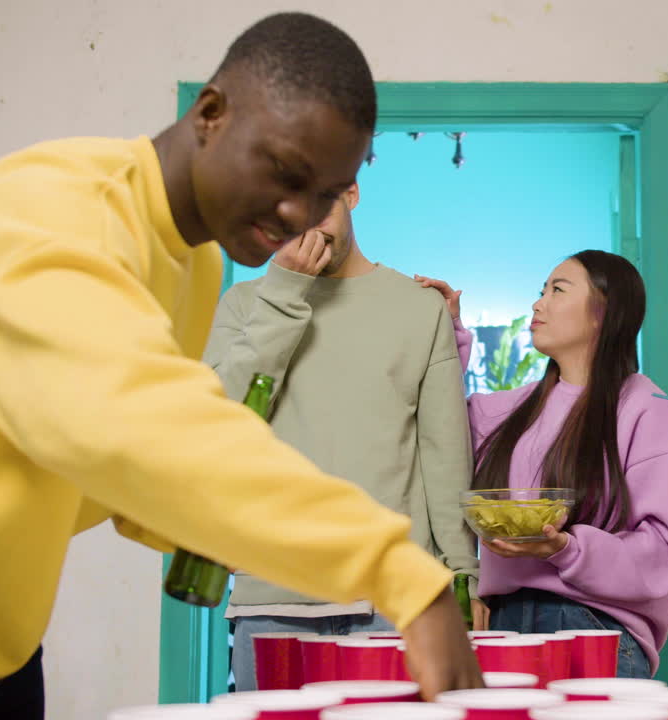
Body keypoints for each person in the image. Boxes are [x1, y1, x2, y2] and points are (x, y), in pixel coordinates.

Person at [0, 13, 480, 719]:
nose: (298, 212)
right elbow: (145, 433)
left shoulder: (188, 260)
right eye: (285, 173)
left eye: (326, 192)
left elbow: (136, 484)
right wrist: (398, 571)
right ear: (210, 113)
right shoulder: (51, 220)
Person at [202, 181, 479, 691]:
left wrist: (464, 579)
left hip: (395, 603)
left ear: (351, 192)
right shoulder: (245, 306)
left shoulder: (419, 308)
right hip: (272, 600)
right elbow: (217, 423)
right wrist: (284, 294)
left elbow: (444, 458)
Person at [418, 249, 668, 679]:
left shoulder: (649, 409)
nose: (538, 303)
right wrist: (447, 330)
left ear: (602, 313)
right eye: (540, 291)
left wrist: (566, 548)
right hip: (502, 627)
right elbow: (436, 428)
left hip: (596, 632)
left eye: (557, 290)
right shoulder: (508, 410)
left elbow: (665, 553)